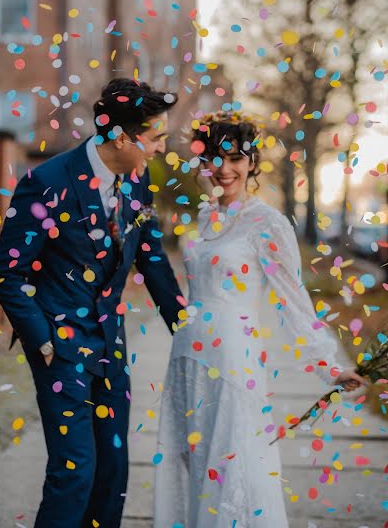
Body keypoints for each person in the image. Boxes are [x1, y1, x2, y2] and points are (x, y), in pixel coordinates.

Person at [154, 110, 367, 527]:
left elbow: (293, 299)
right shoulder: (201, 218)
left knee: (232, 462)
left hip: (234, 360)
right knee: (192, 463)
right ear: (203, 162)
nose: (225, 169)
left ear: (251, 163)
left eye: (235, 159)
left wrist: (330, 366)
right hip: (185, 359)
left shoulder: (268, 223)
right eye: (215, 158)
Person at [0, 78, 183, 528]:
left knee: (112, 475)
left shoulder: (137, 183)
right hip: (60, 351)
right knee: (74, 473)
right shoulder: (46, 182)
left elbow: (152, 258)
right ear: (120, 135)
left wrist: (187, 324)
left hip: (111, 348)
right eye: (155, 138)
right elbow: (7, 273)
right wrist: (43, 341)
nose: (159, 149)